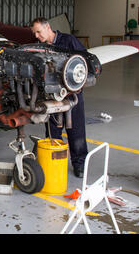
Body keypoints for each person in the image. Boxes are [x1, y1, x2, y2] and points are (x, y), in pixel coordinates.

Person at [30, 17, 88, 178]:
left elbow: (84, 60)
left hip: (71, 95)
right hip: (51, 97)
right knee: (53, 132)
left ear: (48, 27)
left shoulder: (69, 41)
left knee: (76, 131)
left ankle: (79, 165)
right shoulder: (39, 47)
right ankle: (53, 163)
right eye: (34, 33)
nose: (36, 36)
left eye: (38, 32)